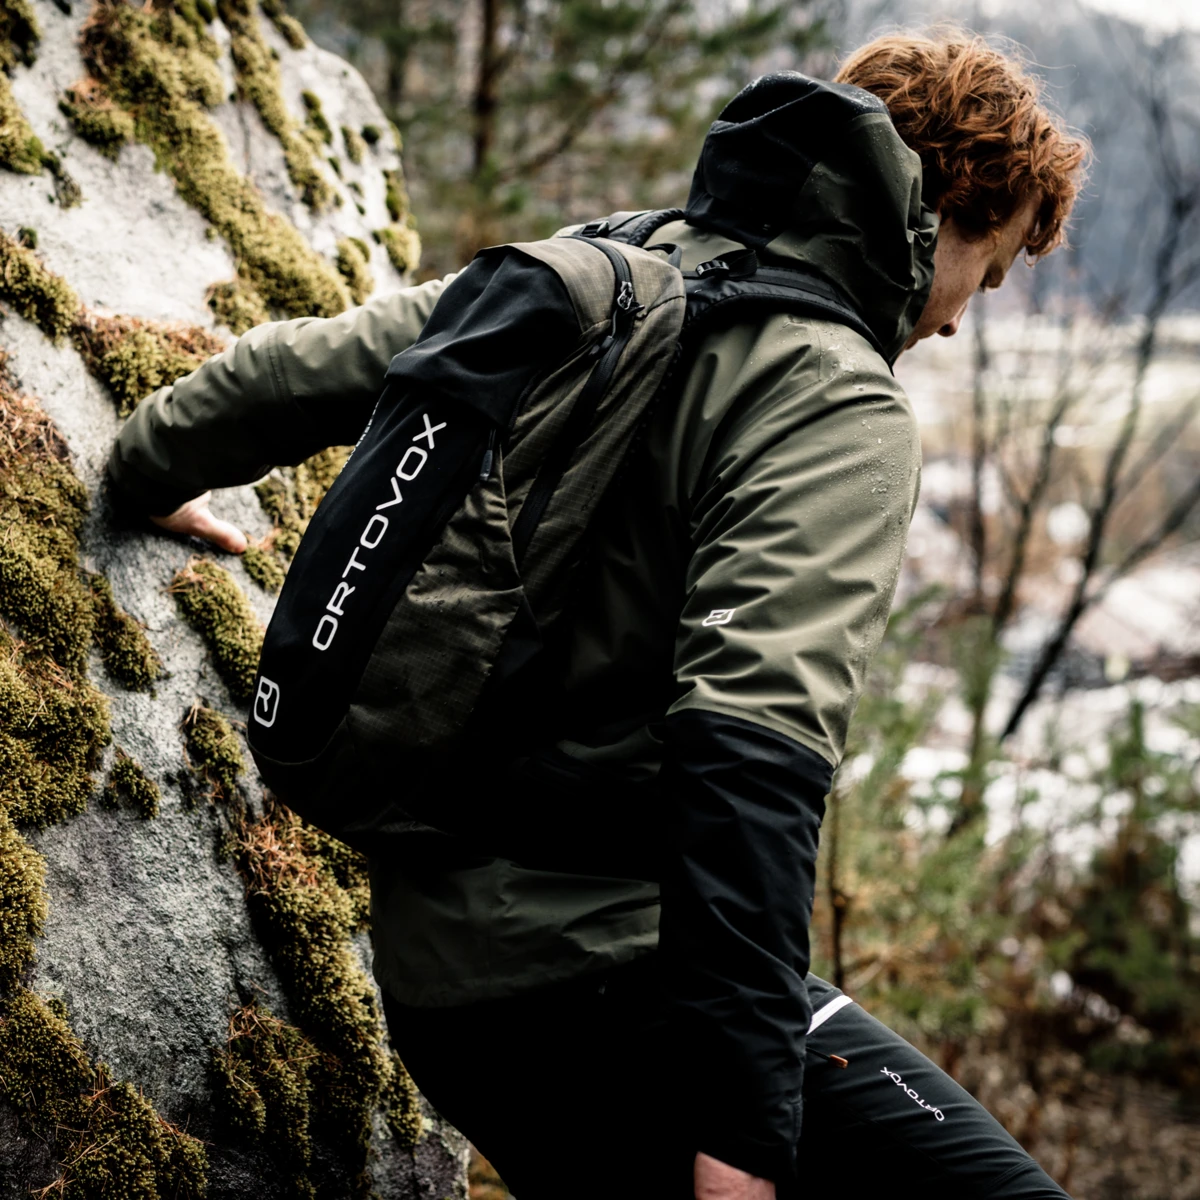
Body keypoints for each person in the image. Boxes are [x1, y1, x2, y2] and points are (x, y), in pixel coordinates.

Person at [109, 30, 1088, 1200]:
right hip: (610, 988)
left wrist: (144, 469)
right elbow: (749, 761)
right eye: (989, 266)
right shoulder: (833, 397)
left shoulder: (607, 274)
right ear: (937, 218)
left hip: (448, 988)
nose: (961, 319)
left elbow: (304, 372)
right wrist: (741, 1137)